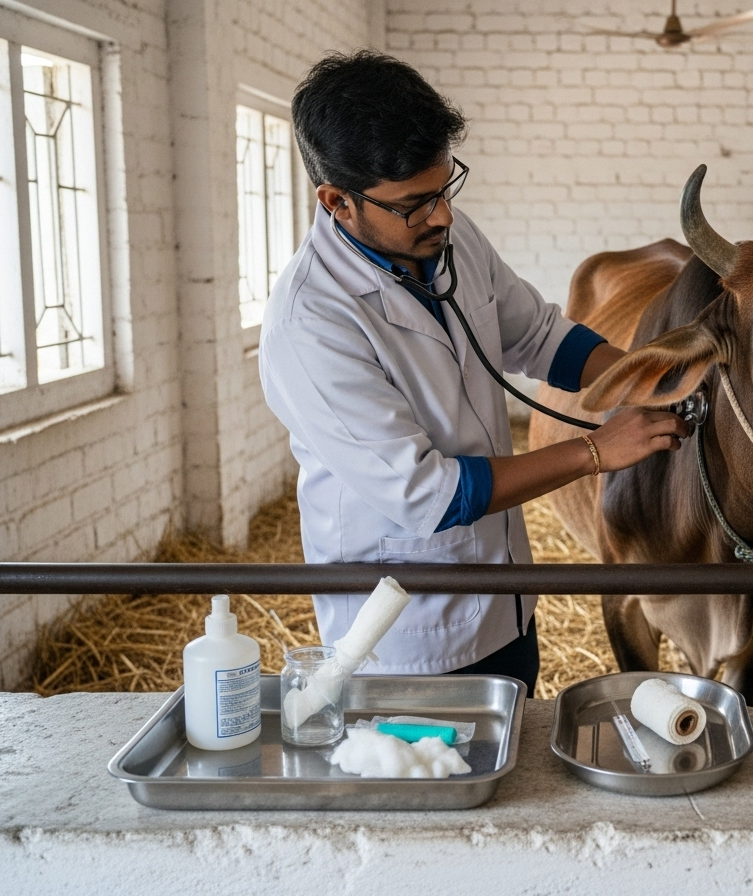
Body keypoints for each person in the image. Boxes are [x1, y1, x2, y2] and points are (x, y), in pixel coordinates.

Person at [259, 52, 688, 693]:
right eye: (414, 204)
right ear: (336, 202)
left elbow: (540, 337)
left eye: (445, 187)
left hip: (508, 597)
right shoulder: (312, 321)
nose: (443, 216)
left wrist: (656, 378)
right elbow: (427, 495)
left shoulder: (449, 242)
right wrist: (596, 450)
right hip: (407, 634)